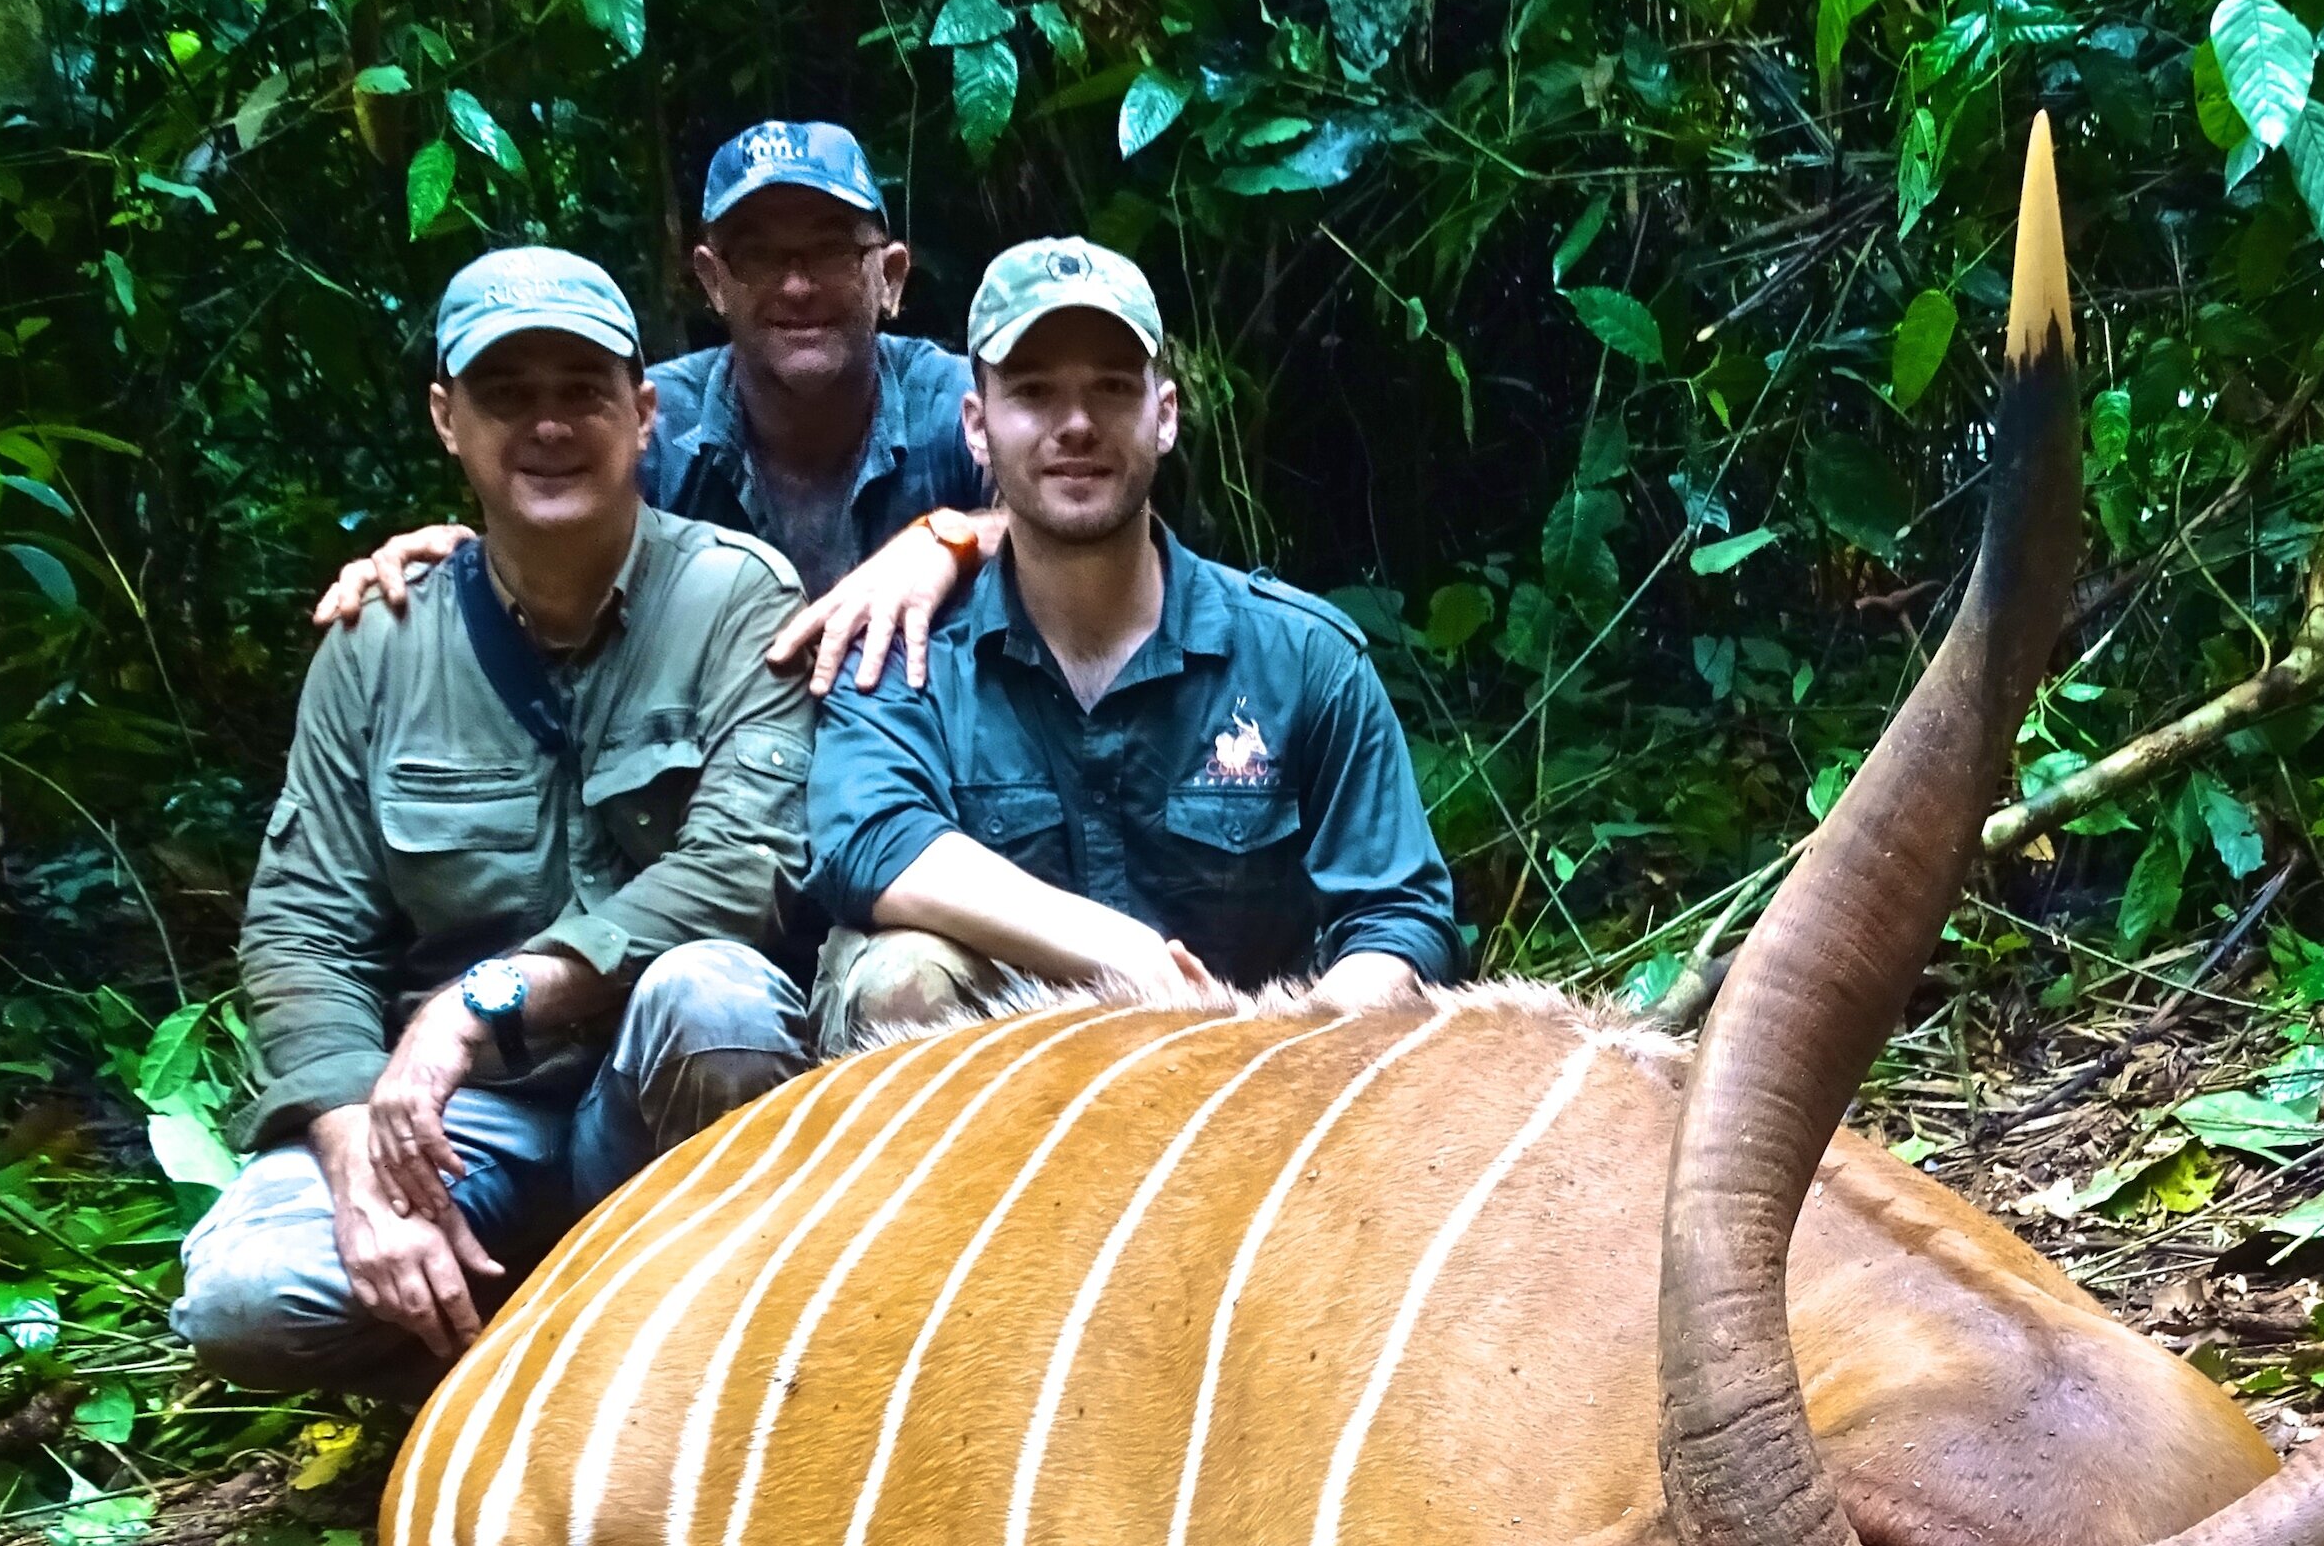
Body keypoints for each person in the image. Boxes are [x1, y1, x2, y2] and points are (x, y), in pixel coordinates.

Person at [174, 248, 817, 1401]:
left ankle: (673, 1356)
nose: (550, 426)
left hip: (649, 1086)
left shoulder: (737, 597)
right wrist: (352, 1141)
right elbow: (301, 927)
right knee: (245, 1295)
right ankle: (499, 1333)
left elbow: (743, 866)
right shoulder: (377, 639)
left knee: (719, 998)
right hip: (451, 1129)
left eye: (582, 392)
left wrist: (487, 999)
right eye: (507, 397)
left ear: (645, 411)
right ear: (446, 420)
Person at [802, 237, 1460, 1046]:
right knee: (902, 975)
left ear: (1167, 415)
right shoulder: (908, 650)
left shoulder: (1302, 657)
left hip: (1245, 1097)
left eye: (1113, 389)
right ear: (977, 426)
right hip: (994, 1119)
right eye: (1035, 392)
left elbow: (1400, 913)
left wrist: (1293, 1051)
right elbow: (870, 841)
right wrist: (1124, 955)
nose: (1076, 425)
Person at [311, 122, 1000, 688]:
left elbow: (1092, 522)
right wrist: (453, 565)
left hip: (926, 778)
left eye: (829, 252)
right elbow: (539, 548)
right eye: (757, 257)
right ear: (712, 281)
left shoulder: (959, 401)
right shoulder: (649, 421)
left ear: (891, 276)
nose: (795, 285)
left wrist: (947, 539)